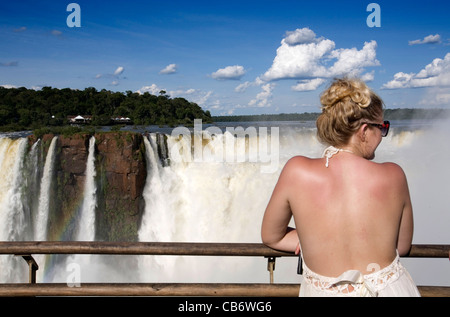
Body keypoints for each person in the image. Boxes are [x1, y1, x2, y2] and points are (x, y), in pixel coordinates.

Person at [261, 78, 420, 297]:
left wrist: (307, 237)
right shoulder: (394, 175)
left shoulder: (296, 170)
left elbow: (272, 237)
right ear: (364, 130)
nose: (383, 135)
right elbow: (401, 247)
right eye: (382, 127)